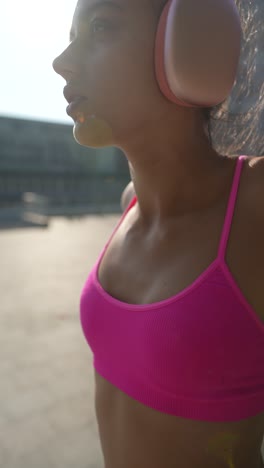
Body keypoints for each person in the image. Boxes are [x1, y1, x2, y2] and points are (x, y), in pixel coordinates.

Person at [52, 0, 264, 467]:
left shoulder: (255, 207)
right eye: (71, 37)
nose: (61, 62)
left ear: (188, 41)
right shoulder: (130, 203)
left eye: (101, 27)